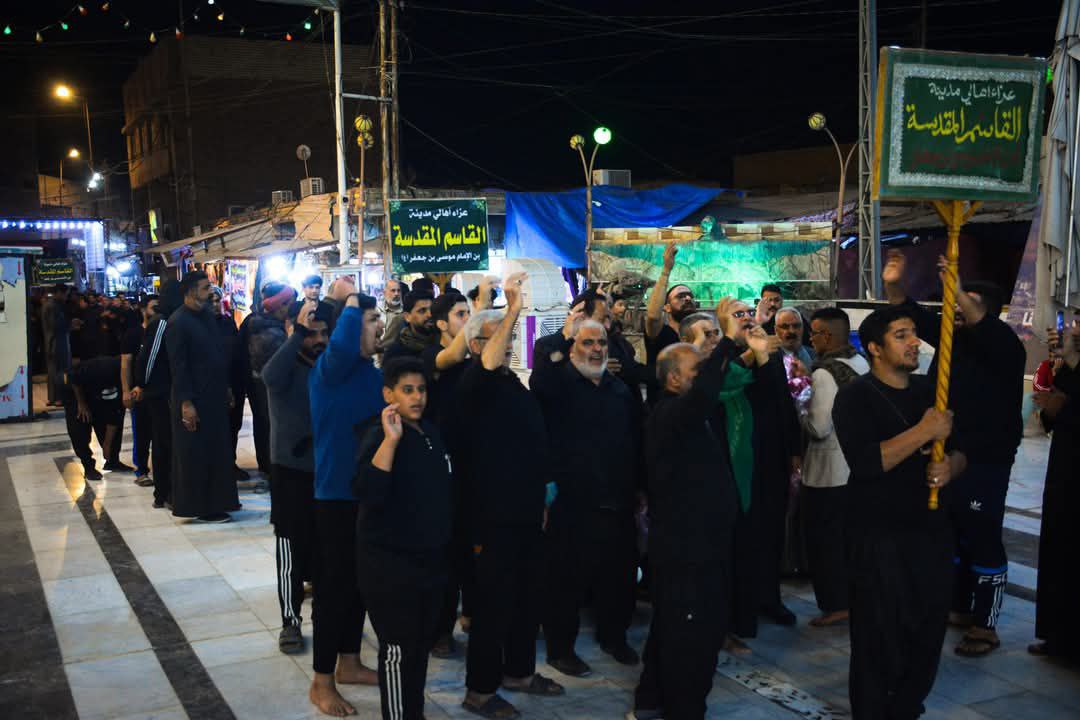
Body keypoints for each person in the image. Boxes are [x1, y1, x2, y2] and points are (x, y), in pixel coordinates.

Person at [882, 250, 1026, 656]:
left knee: (982, 537)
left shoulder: (1006, 346)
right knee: (952, 535)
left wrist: (957, 289)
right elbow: (910, 312)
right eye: (955, 306)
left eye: (966, 305)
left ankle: (985, 625)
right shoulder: (953, 341)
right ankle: (960, 606)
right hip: (946, 454)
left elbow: (977, 319)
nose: (957, 311)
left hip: (985, 460)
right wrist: (894, 285)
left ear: (991, 313)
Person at [832, 305, 965, 719]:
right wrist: (925, 431)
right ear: (874, 348)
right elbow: (867, 462)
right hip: (878, 535)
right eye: (901, 335)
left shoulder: (930, 391)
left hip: (930, 532)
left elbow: (963, 450)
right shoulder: (855, 396)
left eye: (914, 334)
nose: (914, 343)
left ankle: (907, 708)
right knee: (880, 637)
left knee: (927, 632)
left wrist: (951, 465)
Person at [630, 299, 761, 720]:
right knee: (692, 635)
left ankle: (651, 700)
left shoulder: (684, 414)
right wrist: (726, 343)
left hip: (700, 545)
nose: (703, 376)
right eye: (695, 370)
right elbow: (706, 392)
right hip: (688, 550)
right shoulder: (672, 413)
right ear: (673, 380)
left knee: (672, 626)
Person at [456, 272, 564, 720]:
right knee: (494, 605)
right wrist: (512, 308)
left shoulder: (509, 383)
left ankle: (518, 672)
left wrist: (541, 497)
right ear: (476, 344)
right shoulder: (473, 383)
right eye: (499, 335)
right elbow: (485, 365)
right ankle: (480, 691)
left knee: (526, 598)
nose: (509, 341)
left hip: (526, 511)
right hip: (492, 517)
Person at [531, 315, 643, 678]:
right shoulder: (557, 386)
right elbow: (540, 384)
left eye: (601, 343)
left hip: (617, 498)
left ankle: (615, 637)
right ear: (571, 348)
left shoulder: (619, 390)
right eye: (587, 343)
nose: (596, 350)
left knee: (618, 575)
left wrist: (640, 488)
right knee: (565, 578)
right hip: (570, 502)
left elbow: (636, 439)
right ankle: (561, 649)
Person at [354, 357, 454, 720]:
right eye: (407, 390)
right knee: (397, 649)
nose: (417, 397)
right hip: (389, 566)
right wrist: (391, 440)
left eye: (421, 390)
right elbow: (369, 491)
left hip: (428, 561)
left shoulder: (430, 432)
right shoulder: (379, 436)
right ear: (389, 394)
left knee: (419, 645)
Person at [307, 291, 384, 717]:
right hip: (335, 498)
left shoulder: (372, 375)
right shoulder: (329, 370)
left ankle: (350, 662)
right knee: (333, 592)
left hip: (366, 495)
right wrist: (352, 301)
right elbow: (341, 342)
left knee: (359, 586)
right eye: (371, 320)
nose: (379, 326)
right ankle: (322, 681)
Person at [262, 298, 331, 655]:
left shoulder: (330, 368)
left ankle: (325, 618)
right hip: (290, 473)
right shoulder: (285, 366)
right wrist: (298, 333)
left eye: (323, 333)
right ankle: (290, 621)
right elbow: (269, 377)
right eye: (310, 334)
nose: (318, 340)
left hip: (327, 472)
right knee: (290, 548)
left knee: (324, 548)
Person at [800, 307, 869, 628]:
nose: (810, 339)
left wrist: (798, 405)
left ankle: (836, 604)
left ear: (826, 336)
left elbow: (819, 427)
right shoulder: (861, 363)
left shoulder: (824, 373)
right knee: (849, 541)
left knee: (826, 543)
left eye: (813, 333)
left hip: (828, 472)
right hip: (856, 468)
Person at [422, 291, 474, 659]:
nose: (467, 320)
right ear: (442, 323)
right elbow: (451, 355)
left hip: (471, 468)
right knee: (445, 553)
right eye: (461, 315)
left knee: (471, 548)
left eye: (469, 314)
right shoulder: (430, 356)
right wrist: (482, 310)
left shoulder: (472, 362)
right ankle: (440, 629)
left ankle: (470, 613)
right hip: (441, 471)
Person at [165, 271, 240, 523]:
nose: (210, 292)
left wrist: (226, 387)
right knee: (196, 454)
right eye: (205, 287)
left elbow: (216, 355)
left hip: (214, 396)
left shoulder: (207, 316)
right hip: (194, 398)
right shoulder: (178, 322)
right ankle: (200, 507)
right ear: (190, 291)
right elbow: (178, 367)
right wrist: (186, 403)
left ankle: (220, 502)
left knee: (218, 451)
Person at [1029, 322, 1080, 660]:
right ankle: (1059, 637)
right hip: (1065, 472)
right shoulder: (1068, 368)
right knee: (1061, 551)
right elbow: (1054, 414)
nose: (1074, 329)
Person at [238, 281, 297, 475]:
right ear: (279, 305)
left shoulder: (257, 323)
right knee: (271, 426)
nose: (291, 307)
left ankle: (266, 466)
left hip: (255, 385)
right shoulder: (270, 331)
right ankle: (272, 468)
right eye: (288, 303)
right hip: (266, 387)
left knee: (263, 425)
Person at [134, 280, 180, 509]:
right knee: (163, 442)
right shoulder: (162, 322)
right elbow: (149, 358)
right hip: (159, 393)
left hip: (167, 391)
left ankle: (169, 490)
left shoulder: (171, 320)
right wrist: (142, 384)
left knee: (168, 442)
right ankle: (162, 492)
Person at [122, 295, 159, 487]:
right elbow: (126, 364)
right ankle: (141, 470)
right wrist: (126, 390)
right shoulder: (134, 334)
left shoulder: (163, 331)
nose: (157, 311)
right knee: (142, 434)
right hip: (139, 393)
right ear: (143, 310)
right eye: (154, 307)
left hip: (159, 392)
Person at [643, 243, 698, 375]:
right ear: (667, 307)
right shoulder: (661, 333)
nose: (687, 298)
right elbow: (653, 316)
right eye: (680, 296)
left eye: (690, 296)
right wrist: (666, 271)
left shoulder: (699, 335)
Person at [382, 289, 436, 363]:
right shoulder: (396, 354)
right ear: (407, 317)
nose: (430, 315)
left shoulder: (443, 342)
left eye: (432, 310)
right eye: (422, 311)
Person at [42, 284, 72, 407]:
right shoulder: (55, 306)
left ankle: (52, 398)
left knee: (52, 371)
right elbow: (56, 325)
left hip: (49, 342)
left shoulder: (47, 305)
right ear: (59, 292)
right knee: (61, 370)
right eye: (65, 294)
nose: (66, 297)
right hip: (58, 343)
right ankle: (59, 398)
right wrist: (71, 325)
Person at [378, 278, 406, 349]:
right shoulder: (377, 311)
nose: (396, 294)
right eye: (393, 290)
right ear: (385, 293)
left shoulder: (406, 312)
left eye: (398, 291)